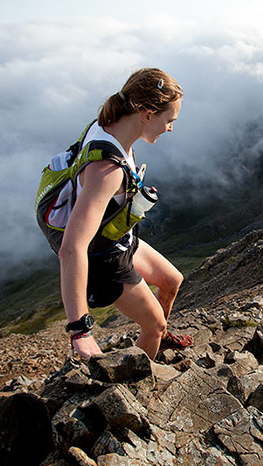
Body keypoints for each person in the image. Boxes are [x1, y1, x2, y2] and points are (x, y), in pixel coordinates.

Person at [38, 67, 193, 360]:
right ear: (147, 114)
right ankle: (133, 382)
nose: (170, 128)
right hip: (104, 258)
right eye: (169, 120)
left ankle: (156, 334)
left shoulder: (107, 126)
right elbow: (71, 249)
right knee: (155, 325)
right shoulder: (106, 171)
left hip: (117, 238)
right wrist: (80, 330)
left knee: (172, 281)